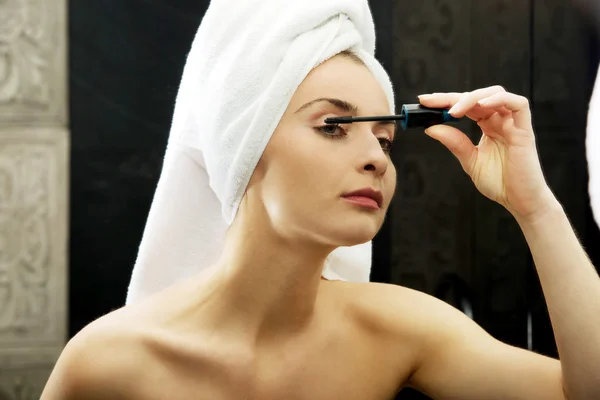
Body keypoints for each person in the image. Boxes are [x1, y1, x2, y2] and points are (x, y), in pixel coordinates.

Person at [42, 1, 600, 398]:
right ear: (245, 145)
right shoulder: (106, 364)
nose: (377, 159)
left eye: (383, 140)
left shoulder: (398, 331)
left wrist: (534, 205)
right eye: (333, 126)